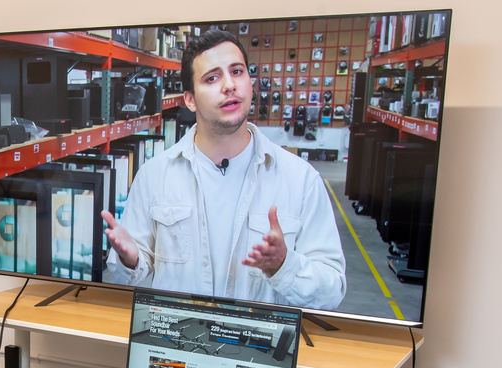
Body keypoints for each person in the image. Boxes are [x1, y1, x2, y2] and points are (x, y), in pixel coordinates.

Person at [102, 29, 346, 310]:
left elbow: (332, 291)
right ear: (190, 100)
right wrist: (130, 260)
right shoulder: (154, 176)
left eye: (237, 71)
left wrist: (285, 266)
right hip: (177, 347)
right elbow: (124, 276)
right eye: (212, 78)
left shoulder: (301, 180)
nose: (229, 85)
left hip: (260, 348)